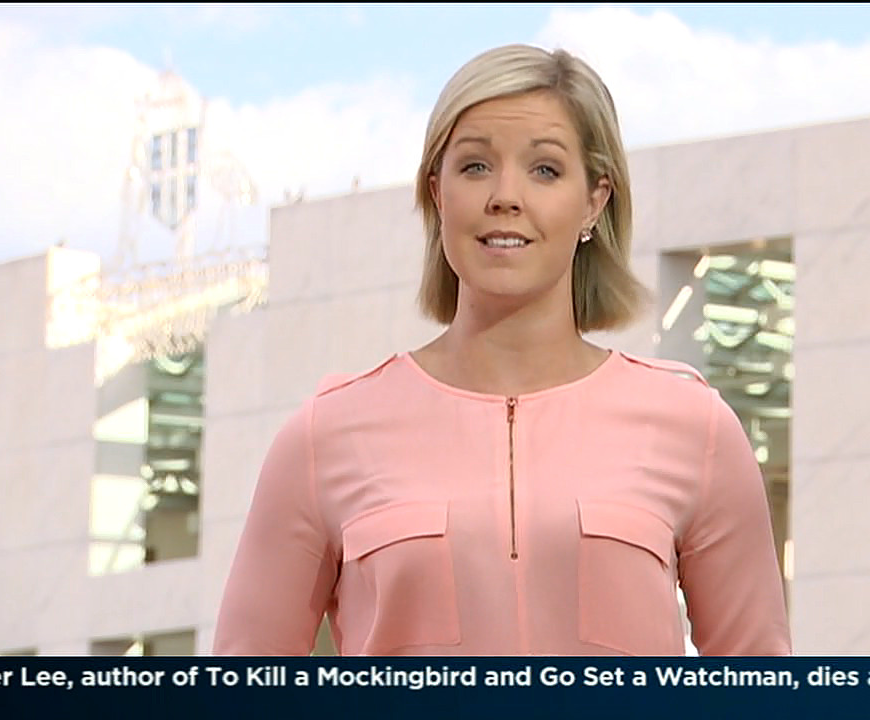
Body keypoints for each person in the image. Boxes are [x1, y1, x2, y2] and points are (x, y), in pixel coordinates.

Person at [213, 44, 790, 656]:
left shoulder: (694, 428)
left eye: (545, 170)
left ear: (595, 200)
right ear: (437, 194)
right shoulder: (324, 436)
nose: (505, 196)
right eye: (475, 166)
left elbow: (758, 682)